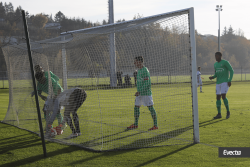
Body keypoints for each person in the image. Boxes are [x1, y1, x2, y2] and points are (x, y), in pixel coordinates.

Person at [127, 56, 158, 131]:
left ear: (140, 62)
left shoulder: (145, 70)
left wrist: (140, 91)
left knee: (150, 108)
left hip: (146, 93)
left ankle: (155, 125)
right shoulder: (139, 71)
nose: (134, 63)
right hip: (139, 93)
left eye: (135, 61)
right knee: (136, 107)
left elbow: (147, 82)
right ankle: (136, 124)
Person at [32, 65, 64, 130]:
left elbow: (59, 88)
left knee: (56, 111)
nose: (40, 81)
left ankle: (61, 125)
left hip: (59, 95)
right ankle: (49, 126)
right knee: (45, 110)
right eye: (37, 70)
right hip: (51, 96)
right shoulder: (39, 81)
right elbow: (39, 91)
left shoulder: (49, 77)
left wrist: (56, 97)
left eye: (39, 69)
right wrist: (41, 96)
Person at [209, 52, 234, 119]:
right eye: (215, 56)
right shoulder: (215, 64)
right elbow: (217, 73)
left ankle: (228, 112)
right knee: (218, 97)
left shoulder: (225, 62)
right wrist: (213, 77)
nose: (215, 57)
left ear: (220, 56)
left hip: (225, 82)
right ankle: (219, 114)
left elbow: (231, 70)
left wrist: (229, 80)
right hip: (218, 83)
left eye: (217, 56)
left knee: (223, 96)